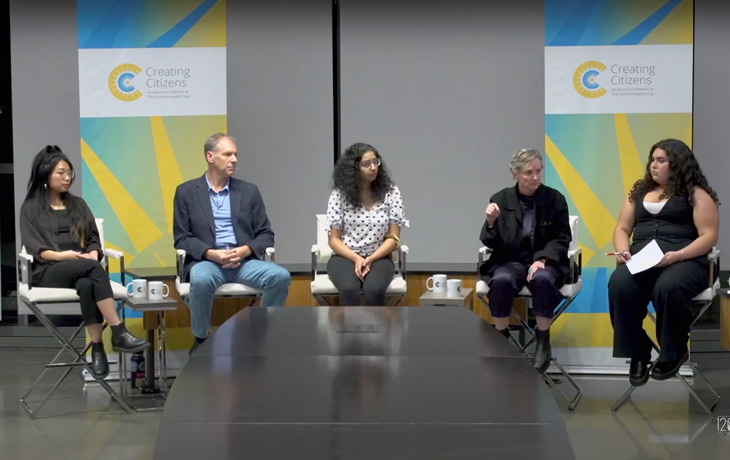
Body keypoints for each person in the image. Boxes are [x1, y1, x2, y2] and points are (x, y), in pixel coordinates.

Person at [19, 146, 149, 379]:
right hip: (47, 270)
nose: (67, 178)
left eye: (69, 172)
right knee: (91, 268)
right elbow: (36, 250)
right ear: (45, 175)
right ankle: (118, 331)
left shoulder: (78, 204)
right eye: (61, 173)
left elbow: (92, 241)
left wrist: (92, 254)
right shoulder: (30, 209)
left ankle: (97, 347)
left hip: (81, 268)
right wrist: (67, 257)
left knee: (88, 282)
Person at [608, 139, 719, 386]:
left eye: (661, 161)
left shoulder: (697, 195)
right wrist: (623, 250)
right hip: (644, 260)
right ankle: (638, 351)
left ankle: (674, 351)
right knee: (619, 284)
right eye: (652, 160)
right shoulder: (637, 193)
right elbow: (622, 228)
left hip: (685, 260)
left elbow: (709, 235)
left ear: (677, 165)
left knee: (668, 286)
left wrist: (677, 255)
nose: (653, 166)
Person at [173, 133, 291, 354]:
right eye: (227, 154)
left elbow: (266, 234)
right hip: (208, 261)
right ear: (210, 156)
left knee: (281, 276)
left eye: (235, 154)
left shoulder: (249, 191)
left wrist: (245, 250)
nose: (234, 159)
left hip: (244, 262)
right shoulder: (187, 192)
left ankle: (264, 335)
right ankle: (201, 338)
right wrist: (211, 253)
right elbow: (182, 237)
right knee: (201, 279)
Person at [479, 148, 571, 373]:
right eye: (529, 172)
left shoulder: (555, 199)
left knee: (541, 280)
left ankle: (542, 340)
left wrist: (543, 259)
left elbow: (562, 238)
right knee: (501, 280)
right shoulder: (500, 199)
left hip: (545, 262)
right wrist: (491, 222)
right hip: (511, 261)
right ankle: (501, 339)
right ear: (516, 174)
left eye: (539, 171)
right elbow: (490, 242)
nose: (536, 177)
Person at [326, 142, 406, 306]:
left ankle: (377, 331)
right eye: (366, 164)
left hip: (379, 257)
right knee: (349, 289)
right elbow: (334, 240)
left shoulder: (391, 192)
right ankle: (349, 331)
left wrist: (371, 259)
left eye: (375, 162)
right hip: (345, 257)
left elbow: (393, 237)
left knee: (374, 289)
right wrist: (356, 258)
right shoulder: (339, 195)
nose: (373, 167)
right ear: (354, 169)